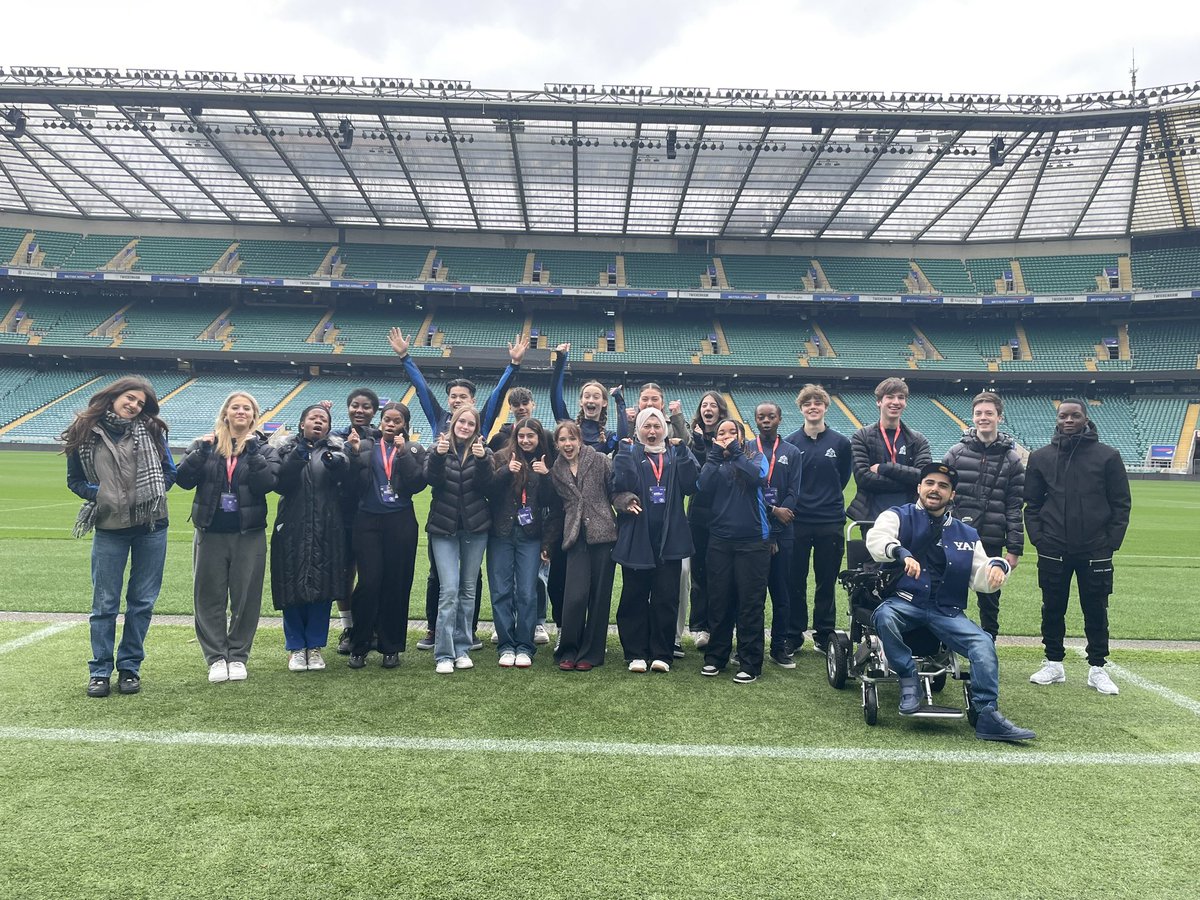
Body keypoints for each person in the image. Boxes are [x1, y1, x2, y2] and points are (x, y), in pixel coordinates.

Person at [866, 462, 1036, 742]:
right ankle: (909, 680)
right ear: (919, 488)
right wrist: (901, 553)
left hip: (946, 610)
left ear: (952, 495)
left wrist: (997, 569)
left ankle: (987, 715)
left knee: (982, 643)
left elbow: (982, 573)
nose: (935, 489)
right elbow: (877, 538)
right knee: (885, 616)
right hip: (906, 601)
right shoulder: (897, 516)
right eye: (930, 483)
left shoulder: (966, 534)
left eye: (943, 486)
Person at [389, 326, 528, 650]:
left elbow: (497, 397)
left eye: (462, 399)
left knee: (469, 579)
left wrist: (513, 366)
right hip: (444, 516)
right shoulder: (440, 420)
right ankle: (436, 631)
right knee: (439, 576)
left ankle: (467, 633)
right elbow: (422, 389)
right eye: (453, 398)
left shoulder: (479, 423)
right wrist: (405, 357)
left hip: (474, 517)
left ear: (472, 403)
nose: (456, 403)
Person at [63, 376, 176, 698]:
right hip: (109, 527)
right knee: (104, 603)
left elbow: (170, 472)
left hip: (152, 527)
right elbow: (74, 480)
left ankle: (129, 667)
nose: (134, 405)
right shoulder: (84, 432)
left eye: (140, 403)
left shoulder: (153, 431)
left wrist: (150, 491)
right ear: (114, 397)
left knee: (142, 602)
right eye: (130, 398)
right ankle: (99, 670)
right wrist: (101, 495)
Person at [1024, 399, 1131, 695]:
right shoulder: (1041, 457)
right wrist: (1039, 538)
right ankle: (1053, 663)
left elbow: (1121, 504)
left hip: (1095, 549)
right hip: (1053, 546)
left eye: (1075, 415)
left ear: (1085, 418)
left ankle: (1097, 667)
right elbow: (1031, 505)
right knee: (1052, 607)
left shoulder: (1108, 457)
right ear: (1057, 419)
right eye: (1063, 416)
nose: (1068, 420)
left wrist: (1110, 543)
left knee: (1096, 608)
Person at [175, 392, 279, 684]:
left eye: (247, 408)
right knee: (208, 596)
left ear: (254, 416)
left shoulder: (264, 449)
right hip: (211, 531)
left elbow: (267, 484)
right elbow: (182, 480)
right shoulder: (203, 445)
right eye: (236, 407)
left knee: (246, 597)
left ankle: (238, 655)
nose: (241, 412)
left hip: (249, 533)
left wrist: (254, 452)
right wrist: (199, 454)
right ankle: (216, 657)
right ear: (225, 413)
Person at [611, 408, 699, 673]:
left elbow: (691, 485)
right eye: (646, 426)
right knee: (634, 596)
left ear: (665, 428)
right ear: (638, 429)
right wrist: (624, 454)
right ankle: (635, 652)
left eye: (656, 426)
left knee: (666, 597)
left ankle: (662, 653)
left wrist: (684, 452)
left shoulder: (675, 454)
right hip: (638, 536)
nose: (652, 431)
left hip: (670, 538)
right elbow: (620, 483)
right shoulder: (631, 452)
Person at [344, 401, 427, 668]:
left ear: (405, 425)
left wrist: (403, 454)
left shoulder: (413, 449)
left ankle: (391, 646)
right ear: (380, 422)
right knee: (369, 583)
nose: (391, 425)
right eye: (387, 420)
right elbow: (352, 485)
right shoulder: (366, 445)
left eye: (397, 421)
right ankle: (359, 643)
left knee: (396, 583)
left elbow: (416, 484)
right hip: (367, 520)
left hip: (400, 521)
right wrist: (355, 455)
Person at [269, 405, 350, 673]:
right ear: (302, 422)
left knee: (322, 585)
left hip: (327, 526)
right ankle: (295, 648)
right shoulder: (286, 449)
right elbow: (280, 483)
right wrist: (299, 453)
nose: (318, 422)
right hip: (292, 525)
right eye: (313, 418)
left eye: (323, 419)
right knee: (291, 584)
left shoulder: (336, 448)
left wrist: (336, 463)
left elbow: (346, 478)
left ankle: (314, 647)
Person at [942, 391, 1025, 639]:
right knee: (949, 592)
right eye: (979, 413)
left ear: (999, 417)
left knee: (990, 597)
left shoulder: (1012, 460)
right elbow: (940, 496)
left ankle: (989, 642)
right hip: (956, 536)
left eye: (989, 413)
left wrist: (1014, 548)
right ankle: (946, 643)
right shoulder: (955, 453)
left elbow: (1014, 506)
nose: (983, 418)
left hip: (991, 538)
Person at [696, 418, 771, 684]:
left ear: (741, 436)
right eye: (721, 433)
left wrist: (736, 452)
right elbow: (702, 487)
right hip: (720, 541)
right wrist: (715, 456)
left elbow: (758, 478)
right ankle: (716, 656)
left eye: (731, 432)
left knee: (750, 603)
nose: (726, 436)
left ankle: (750, 661)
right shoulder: (714, 462)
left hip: (753, 542)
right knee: (719, 600)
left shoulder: (755, 457)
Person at [425, 405, 493, 674]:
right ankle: (443, 652)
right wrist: (438, 458)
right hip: (444, 529)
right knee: (449, 590)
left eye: (471, 424)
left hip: (475, 528)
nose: (465, 427)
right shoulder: (438, 448)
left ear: (477, 428)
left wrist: (483, 462)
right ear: (453, 423)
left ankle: (462, 647)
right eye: (461, 422)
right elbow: (432, 481)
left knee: (467, 590)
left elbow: (487, 488)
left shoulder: (482, 452)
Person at [784, 384, 852, 654]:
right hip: (798, 520)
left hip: (830, 520)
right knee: (795, 580)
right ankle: (794, 634)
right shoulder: (791, 443)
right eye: (807, 403)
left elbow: (843, 477)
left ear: (825, 407)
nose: (813, 407)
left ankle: (824, 635)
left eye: (818, 403)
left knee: (826, 580)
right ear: (801, 408)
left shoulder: (840, 442)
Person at [547, 420, 619, 672]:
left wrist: (626, 500)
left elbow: (614, 490)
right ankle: (569, 649)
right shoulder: (555, 470)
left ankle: (592, 652)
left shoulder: (599, 460)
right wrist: (549, 542)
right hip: (574, 536)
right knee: (574, 597)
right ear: (557, 444)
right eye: (563, 440)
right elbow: (557, 510)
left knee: (599, 597)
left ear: (580, 440)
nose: (568, 444)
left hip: (603, 534)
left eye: (572, 439)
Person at [487, 417, 554, 668]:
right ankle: (506, 644)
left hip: (530, 535)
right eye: (522, 436)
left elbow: (551, 502)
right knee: (501, 591)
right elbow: (487, 490)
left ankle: (525, 646)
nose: (526, 441)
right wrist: (506, 472)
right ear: (515, 436)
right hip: (501, 534)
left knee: (527, 592)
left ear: (538, 438)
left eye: (531, 436)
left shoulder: (545, 461)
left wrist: (546, 476)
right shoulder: (501, 457)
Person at [330, 387, 380, 654]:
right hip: (342, 514)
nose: (360, 410)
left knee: (370, 574)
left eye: (366, 407)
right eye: (355, 405)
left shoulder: (380, 437)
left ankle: (370, 625)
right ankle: (349, 627)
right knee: (345, 572)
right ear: (348, 407)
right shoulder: (335, 437)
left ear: (374, 411)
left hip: (372, 514)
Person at [753, 402, 802, 669]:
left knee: (782, 593)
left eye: (771, 416)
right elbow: (748, 491)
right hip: (756, 531)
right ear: (756, 420)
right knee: (754, 594)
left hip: (784, 533)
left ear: (780, 418)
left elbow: (794, 493)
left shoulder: (792, 452)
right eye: (761, 417)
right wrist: (772, 513)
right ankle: (753, 645)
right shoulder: (749, 449)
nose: (766, 420)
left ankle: (779, 646)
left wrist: (776, 531)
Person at [846, 377, 931, 526]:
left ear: (905, 403)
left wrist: (884, 468)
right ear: (879, 402)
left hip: (910, 517)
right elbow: (863, 478)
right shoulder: (862, 436)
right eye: (890, 397)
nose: (896, 402)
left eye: (901, 397)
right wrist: (908, 482)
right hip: (872, 517)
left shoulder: (918, 440)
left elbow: (924, 476)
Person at [682, 391, 728, 650]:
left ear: (721, 411)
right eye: (704, 405)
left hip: (725, 516)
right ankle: (699, 626)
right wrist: (698, 444)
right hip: (698, 516)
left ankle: (717, 625)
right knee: (699, 572)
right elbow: (693, 478)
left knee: (720, 574)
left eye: (713, 405)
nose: (708, 408)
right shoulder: (693, 443)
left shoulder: (731, 441)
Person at [548, 344, 624, 454]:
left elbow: (622, 439)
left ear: (604, 403)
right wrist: (561, 359)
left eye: (596, 397)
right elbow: (555, 397)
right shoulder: (569, 427)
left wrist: (620, 401)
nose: (591, 400)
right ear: (581, 402)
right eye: (587, 396)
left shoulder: (608, 437)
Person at [614, 382, 689, 443]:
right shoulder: (630, 423)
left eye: (655, 399)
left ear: (662, 404)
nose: (649, 403)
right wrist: (627, 423)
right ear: (639, 403)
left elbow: (686, 446)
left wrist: (677, 417)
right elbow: (621, 450)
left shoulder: (674, 424)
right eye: (645, 399)